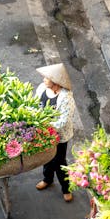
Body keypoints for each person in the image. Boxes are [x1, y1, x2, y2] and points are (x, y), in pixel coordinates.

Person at [34, 63, 76, 202]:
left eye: (46, 78)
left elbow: (63, 121)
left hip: (60, 135)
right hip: (44, 132)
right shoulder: (42, 89)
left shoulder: (66, 97)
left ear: (55, 81)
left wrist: (45, 127)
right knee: (46, 157)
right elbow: (35, 106)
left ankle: (66, 188)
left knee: (59, 161)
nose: (43, 80)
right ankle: (47, 179)